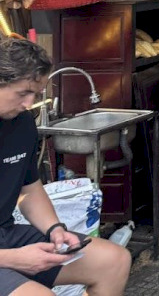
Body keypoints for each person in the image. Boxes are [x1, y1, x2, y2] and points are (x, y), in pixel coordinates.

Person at [0, 37, 132, 296]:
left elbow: (30, 189)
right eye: (22, 93)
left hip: (6, 234)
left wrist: (55, 229)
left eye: (35, 94)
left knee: (113, 261)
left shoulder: (22, 123)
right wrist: (11, 259)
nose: (29, 103)